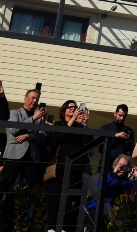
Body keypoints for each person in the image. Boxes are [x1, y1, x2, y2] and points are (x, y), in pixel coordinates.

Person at [48, 99, 93, 231]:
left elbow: (87, 144)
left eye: (75, 107)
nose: (73, 109)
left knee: (70, 199)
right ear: (64, 111)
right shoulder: (59, 124)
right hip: (60, 167)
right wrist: (73, 119)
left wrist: (85, 124)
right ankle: (52, 226)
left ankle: (64, 227)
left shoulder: (79, 127)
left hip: (75, 168)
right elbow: (58, 137)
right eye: (70, 107)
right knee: (55, 198)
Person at [1, 85, 51, 189]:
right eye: (33, 98)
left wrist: (29, 135)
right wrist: (32, 118)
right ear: (25, 98)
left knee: (26, 188)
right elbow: (14, 129)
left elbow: (42, 136)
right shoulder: (15, 113)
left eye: (37, 99)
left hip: (32, 157)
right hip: (14, 155)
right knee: (6, 185)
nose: (35, 100)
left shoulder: (39, 119)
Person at [87, 154, 137, 227]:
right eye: (121, 165)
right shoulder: (106, 175)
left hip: (116, 213)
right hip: (98, 209)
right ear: (115, 165)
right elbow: (99, 188)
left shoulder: (126, 182)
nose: (122, 168)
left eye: (125, 166)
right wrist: (114, 173)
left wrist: (136, 178)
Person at [99, 103, 135, 173]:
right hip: (107, 164)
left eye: (124, 116)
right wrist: (115, 136)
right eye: (120, 115)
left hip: (122, 167)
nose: (121, 118)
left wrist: (128, 140)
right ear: (115, 113)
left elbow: (131, 151)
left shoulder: (129, 131)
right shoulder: (105, 128)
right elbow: (101, 149)